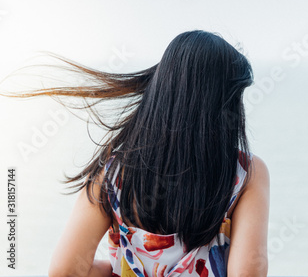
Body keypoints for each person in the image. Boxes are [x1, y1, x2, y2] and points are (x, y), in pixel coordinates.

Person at [3, 30, 270, 277]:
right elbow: (247, 273)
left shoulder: (114, 174)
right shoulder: (246, 174)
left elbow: (64, 271)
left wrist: (121, 267)